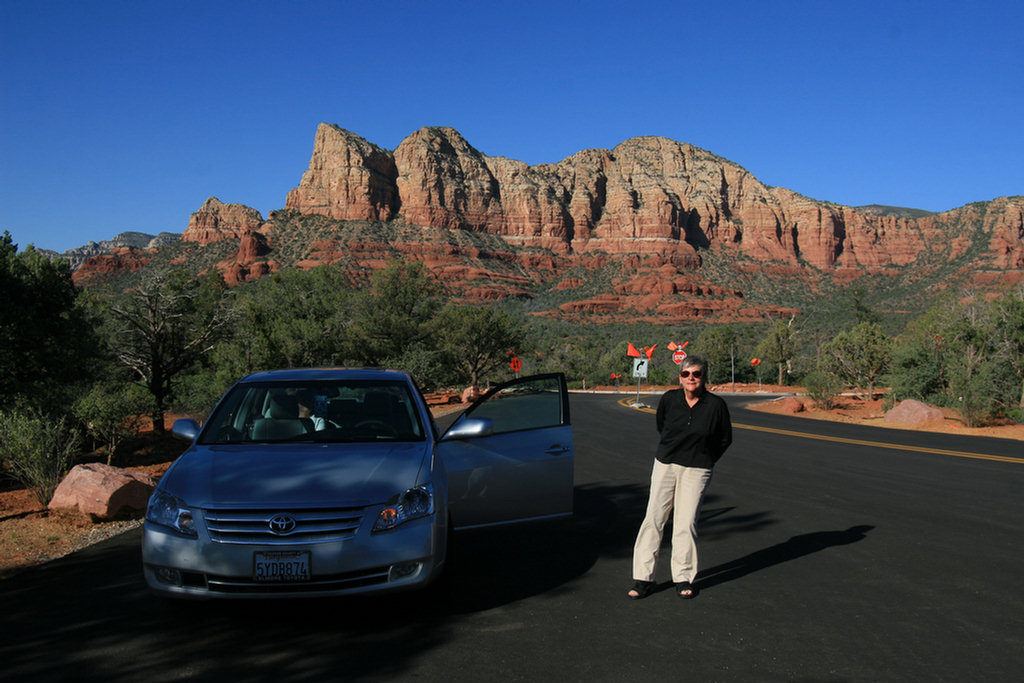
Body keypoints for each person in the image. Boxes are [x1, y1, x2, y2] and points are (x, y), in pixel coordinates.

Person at [627, 354, 732, 600]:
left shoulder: (715, 405)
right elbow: (661, 427)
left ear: (703, 376)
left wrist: (706, 459)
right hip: (666, 464)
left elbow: (725, 439)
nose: (691, 378)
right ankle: (643, 578)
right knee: (654, 519)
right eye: (686, 374)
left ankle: (683, 577)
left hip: (697, 469)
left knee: (686, 524)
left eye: (696, 374)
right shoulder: (669, 399)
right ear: (680, 377)